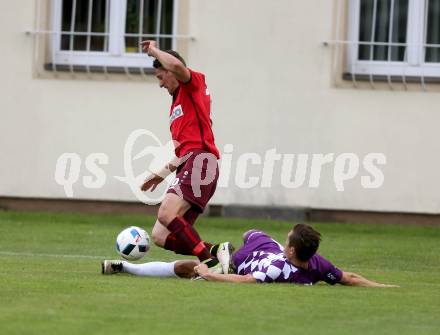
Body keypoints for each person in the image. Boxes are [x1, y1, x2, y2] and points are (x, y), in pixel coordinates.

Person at [139, 40, 231, 273]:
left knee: (166, 213)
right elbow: (182, 150)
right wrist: (160, 175)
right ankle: (218, 252)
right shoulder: (176, 108)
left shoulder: (193, 84)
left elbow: (179, 67)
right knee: (160, 235)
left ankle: (210, 262)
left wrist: (153, 50)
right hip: (191, 163)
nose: (160, 85)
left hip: (201, 161)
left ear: (172, 71)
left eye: (161, 77)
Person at [102, 224, 398, 288]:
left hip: (253, 253)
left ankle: (125, 266)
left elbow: (244, 280)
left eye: (289, 241)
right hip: (254, 250)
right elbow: (348, 277)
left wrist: (209, 274)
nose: (287, 242)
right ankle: (221, 253)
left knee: (187, 268)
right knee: (250, 233)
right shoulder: (318, 264)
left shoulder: (281, 270)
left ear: (292, 251)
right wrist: (383, 287)